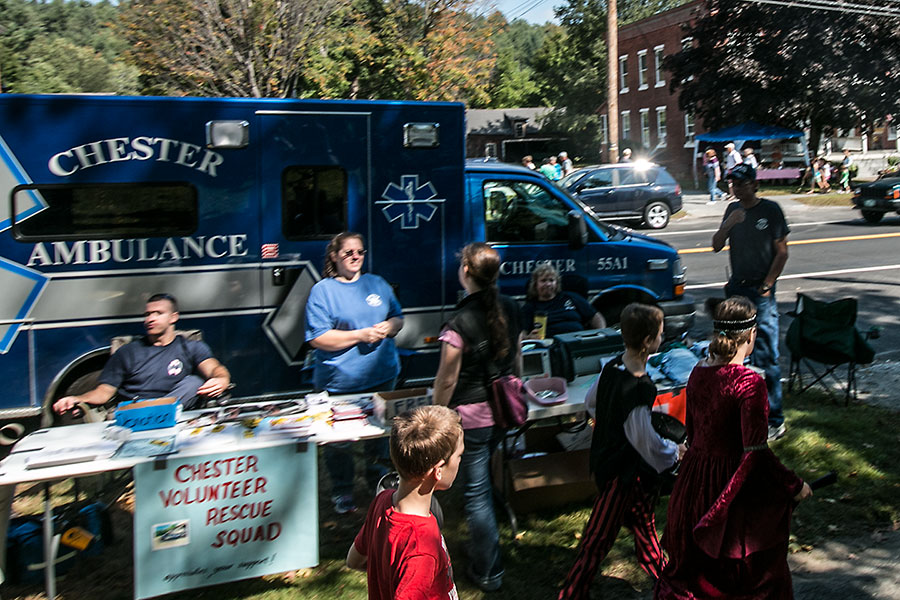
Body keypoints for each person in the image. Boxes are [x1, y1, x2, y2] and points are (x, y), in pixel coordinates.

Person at [655, 296, 813, 600]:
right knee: (749, 573)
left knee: (697, 568)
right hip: (729, 488)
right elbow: (755, 451)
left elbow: (693, 430)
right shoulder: (749, 384)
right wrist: (794, 485)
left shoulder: (698, 371)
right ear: (751, 335)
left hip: (693, 484)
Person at [558, 303, 685, 600]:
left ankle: (670, 586)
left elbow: (592, 401)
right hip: (625, 475)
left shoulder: (612, 365)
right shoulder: (640, 387)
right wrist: (673, 451)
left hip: (607, 463)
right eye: (660, 334)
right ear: (647, 342)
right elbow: (645, 440)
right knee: (597, 539)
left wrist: (605, 426)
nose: (662, 338)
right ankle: (572, 592)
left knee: (644, 531)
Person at [432, 242, 522, 592]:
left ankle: (488, 569)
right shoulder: (511, 307)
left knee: (477, 493)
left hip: (470, 418)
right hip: (502, 411)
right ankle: (484, 549)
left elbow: (447, 378)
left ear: (466, 272)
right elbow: (516, 356)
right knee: (484, 484)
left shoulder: (458, 321)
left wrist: (438, 411)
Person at [306, 231, 404, 514]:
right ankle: (342, 491)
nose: (355, 257)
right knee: (339, 443)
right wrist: (360, 335)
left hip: (383, 377)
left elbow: (398, 317)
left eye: (359, 252)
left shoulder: (377, 283)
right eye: (348, 252)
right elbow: (318, 338)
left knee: (382, 436)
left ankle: (381, 485)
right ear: (334, 256)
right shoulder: (322, 291)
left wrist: (390, 327)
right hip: (339, 383)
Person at [346, 405, 464, 599]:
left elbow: (354, 560)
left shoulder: (382, 502)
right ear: (438, 470)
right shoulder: (421, 549)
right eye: (459, 456)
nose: (460, 461)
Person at [52, 293, 231, 415]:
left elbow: (215, 368)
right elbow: (104, 392)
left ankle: (160, 412)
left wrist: (222, 379)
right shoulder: (128, 352)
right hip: (136, 413)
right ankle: (158, 412)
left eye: (158, 313)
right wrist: (77, 398)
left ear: (173, 318)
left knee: (194, 382)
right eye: (147, 314)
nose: (150, 319)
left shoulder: (190, 347)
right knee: (192, 384)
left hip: (176, 415)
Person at [712, 163, 789, 441]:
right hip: (736, 290)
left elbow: (782, 252)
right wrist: (730, 223)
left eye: (743, 183)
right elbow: (716, 244)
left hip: (761, 291)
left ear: (755, 184)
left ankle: (775, 419)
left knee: (766, 352)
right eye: (734, 183)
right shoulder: (732, 211)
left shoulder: (771, 210)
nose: (737, 187)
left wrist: (768, 285)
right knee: (734, 353)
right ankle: (745, 412)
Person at [521, 264, 605, 339]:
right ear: (535, 284)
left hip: (578, 341)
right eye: (543, 280)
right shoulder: (530, 307)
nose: (548, 284)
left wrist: (601, 335)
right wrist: (529, 338)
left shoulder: (570, 297)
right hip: (551, 346)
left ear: (557, 283)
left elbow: (596, 317)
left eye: (551, 280)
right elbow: (521, 334)